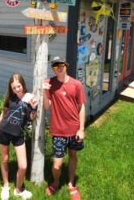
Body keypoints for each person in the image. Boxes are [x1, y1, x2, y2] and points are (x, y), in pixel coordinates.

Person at [43, 56, 86, 200]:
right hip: (58, 131)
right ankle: (55, 182)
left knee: (73, 156)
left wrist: (81, 129)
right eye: (55, 66)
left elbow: (81, 107)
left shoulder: (76, 84)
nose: (58, 68)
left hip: (74, 130)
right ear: (53, 69)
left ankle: (71, 184)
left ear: (66, 66)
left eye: (61, 65)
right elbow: (47, 106)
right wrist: (44, 91)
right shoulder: (49, 83)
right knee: (57, 164)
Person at [0, 73, 37, 200]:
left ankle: (18, 189)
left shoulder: (29, 98)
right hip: (4, 131)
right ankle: (6, 185)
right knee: (4, 159)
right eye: (14, 87)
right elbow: (4, 113)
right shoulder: (10, 98)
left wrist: (33, 108)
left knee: (23, 165)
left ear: (23, 84)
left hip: (18, 134)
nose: (17, 89)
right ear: (11, 88)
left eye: (18, 86)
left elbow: (31, 118)